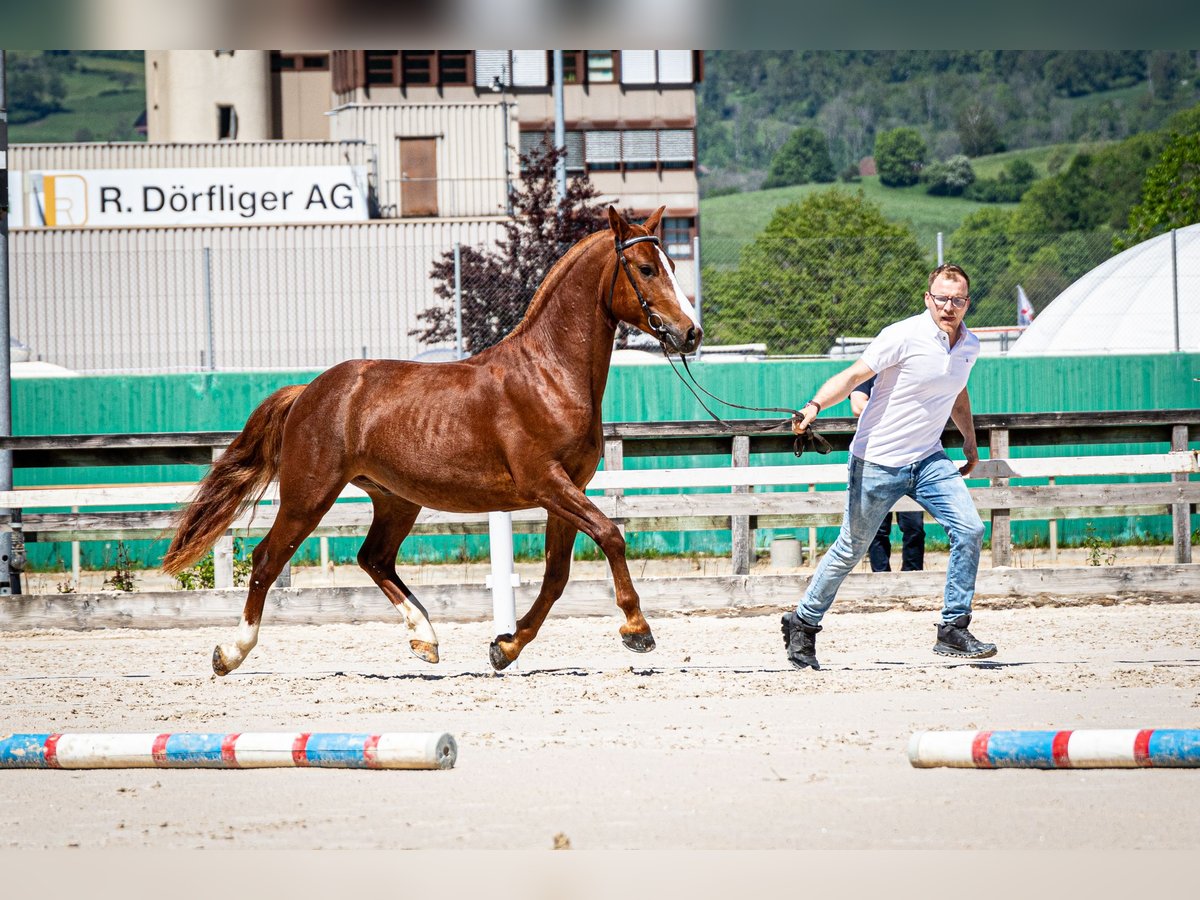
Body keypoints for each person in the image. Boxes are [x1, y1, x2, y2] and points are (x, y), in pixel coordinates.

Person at [782, 263, 995, 670]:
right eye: (942, 298)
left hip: (929, 458)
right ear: (927, 298)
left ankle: (953, 628)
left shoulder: (969, 346)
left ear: (968, 302)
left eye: (958, 300)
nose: (949, 307)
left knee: (970, 529)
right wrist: (813, 406)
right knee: (850, 548)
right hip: (877, 459)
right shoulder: (902, 335)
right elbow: (853, 376)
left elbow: (958, 391)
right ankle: (803, 623)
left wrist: (969, 437)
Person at [850, 375, 926, 573]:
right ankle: (880, 577)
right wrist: (901, 417)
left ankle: (913, 576)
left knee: (914, 526)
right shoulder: (870, 371)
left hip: (911, 458)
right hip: (876, 460)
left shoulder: (910, 369)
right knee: (877, 529)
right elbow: (858, 406)